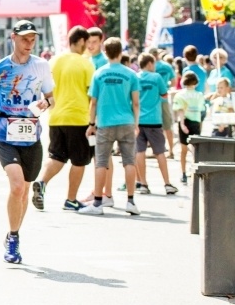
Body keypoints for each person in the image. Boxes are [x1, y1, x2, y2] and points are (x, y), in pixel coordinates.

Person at [0, 20, 54, 264]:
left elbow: (50, 96)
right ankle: (13, 239)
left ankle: (14, 232)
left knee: (23, 192)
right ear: (13, 38)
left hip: (31, 134)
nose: (29, 44)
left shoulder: (41, 66)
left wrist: (46, 103)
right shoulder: (1, 66)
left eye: (32, 39)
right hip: (5, 132)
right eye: (24, 39)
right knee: (18, 186)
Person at [31, 26, 95, 212]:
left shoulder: (53, 61)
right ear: (81, 41)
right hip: (78, 117)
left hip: (56, 117)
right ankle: (71, 199)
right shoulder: (85, 63)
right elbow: (92, 94)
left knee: (57, 156)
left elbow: (43, 88)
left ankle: (41, 183)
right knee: (79, 161)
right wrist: (94, 120)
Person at [79, 37, 141, 216]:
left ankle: (98, 202)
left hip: (105, 123)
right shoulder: (130, 74)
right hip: (127, 121)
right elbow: (136, 103)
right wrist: (135, 124)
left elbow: (93, 102)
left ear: (105, 52)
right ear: (121, 53)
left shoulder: (99, 74)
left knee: (101, 162)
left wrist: (91, 123)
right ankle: (130, 201)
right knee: (129, 161)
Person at [132, 53, 178, 195]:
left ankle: (143, 183)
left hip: (139, 120)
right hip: (154, 119)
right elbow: (164, 94)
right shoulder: (156, 77)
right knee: (159, 152)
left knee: (140, 152)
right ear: (150, 63)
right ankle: (167, 183)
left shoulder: (135, 77)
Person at [172, 72, 205, 184]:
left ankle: (183, 173)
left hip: (185, 121)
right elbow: (201, 111)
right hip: (196, 122)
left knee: (183, 150)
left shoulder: (180, 95)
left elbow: (180, 110)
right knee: (195, 149)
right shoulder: (199, 95)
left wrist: (182, 124)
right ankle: (195, 171)